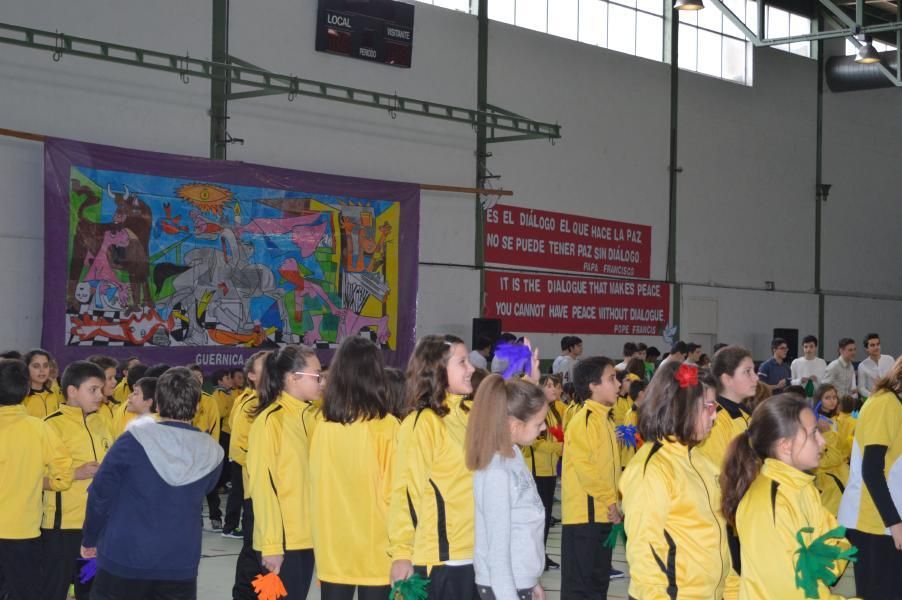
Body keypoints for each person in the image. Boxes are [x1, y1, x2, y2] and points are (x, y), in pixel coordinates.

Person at [80, 367, 223, 600]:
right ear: (198, 406)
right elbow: (204, 488)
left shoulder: (132, 441)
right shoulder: (213, 452)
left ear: (157, 403)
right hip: (179, 562)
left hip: (124, 556)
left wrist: (90, 538)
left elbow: (100, 494)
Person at [722, 394, 854, 599]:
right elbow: (793, 590)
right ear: (785, 446)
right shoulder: (767, 505)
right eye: (812, 434)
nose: (822, 442)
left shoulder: (802, 487)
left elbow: (836, 546)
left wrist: (818, 563)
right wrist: (817, 562)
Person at [620, 362, 730, 599]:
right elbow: (645, 553)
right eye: (709, 407)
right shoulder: (652, 469)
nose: (716, 415)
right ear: (682, 408)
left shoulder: (701, 461)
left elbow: (718, 540)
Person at [388, 335, 477, 599]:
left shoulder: (467, 415)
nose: (471, 368)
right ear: (438, 370)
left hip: (473, 554)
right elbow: (405, 491)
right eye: (462, 362)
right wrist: (402, 552)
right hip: (440, 560)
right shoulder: (423, 422)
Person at [310, 337, 399, 600]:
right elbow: (395, 494)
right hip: (377, 549)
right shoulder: (388, 426)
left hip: (332, 549)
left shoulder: (322, 427)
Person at [246, 346, 322, 599]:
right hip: (281, 542)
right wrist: (271, 544)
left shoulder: (313, 417)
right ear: (293, 377)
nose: (321, 381)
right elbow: (263, 487)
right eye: (316, 375)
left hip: (307, 539)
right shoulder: (270, 421)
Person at [467, 376, 548, 600]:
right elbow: (498, 554)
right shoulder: (496, 473)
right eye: (538, 423)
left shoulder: (515, 454)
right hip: (502, 588)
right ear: (515, 426)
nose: (544, 428)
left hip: (520, 582)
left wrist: (532, 582)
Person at [0, 359, 72, 600]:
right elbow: (63, 475)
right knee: (26, 592)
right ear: (27, 390)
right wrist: (38, 481)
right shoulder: (38, 428)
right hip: (23, 529)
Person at [41, 361, 112, 600]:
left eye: (101, 390)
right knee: (54, 589)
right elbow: (33, 477)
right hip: (61, 530)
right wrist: (75, 473)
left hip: (93, 529)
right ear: (72, 391)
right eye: (93, 390)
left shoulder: (101, 423)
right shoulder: (51, 426)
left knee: (88, 587)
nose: (100, 396)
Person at [837, 355, 902, 598]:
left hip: (888, 521)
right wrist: (894, 524)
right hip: (874, 524)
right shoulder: (885, 404)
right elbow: (872, 470)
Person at [697, 345, 758, 599]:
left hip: (747, 517)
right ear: (726, 378)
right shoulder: (715, 420)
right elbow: (718, 477)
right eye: (748, 372)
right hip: (727, 520)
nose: (756, 377)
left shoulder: (745, 417)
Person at [560, 356, 622, 599]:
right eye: (611, 379)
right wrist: (611, 502)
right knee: (579, 590)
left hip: (604, 516)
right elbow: (588, 472)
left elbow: (609, 470)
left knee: (597, 587)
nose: (618, 384)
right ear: (593, 386)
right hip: (584, 519)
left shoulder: (605, 420)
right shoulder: (583, 420)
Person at [228, 351, 267, 600]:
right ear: (251, 375)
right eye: (266, 367)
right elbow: (238, 450)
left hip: (275, 496)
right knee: (255, 552)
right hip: (258, 492)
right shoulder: (250, 404)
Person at [521, 374, 564, 571]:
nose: (554, 390)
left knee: (546, 517)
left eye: (556, 386)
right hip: (536, 470)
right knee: (538, 518)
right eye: (549, 386)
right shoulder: (536, 411)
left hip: (549, 469)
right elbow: (535, 442)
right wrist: (559, 448)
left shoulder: (553, 412)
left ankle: (542, 554)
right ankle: (534, 557)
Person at [811, 384, 852, 515]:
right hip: (827, 480)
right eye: (827, 397)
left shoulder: (836, 420)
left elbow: (844, 449)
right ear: (819, 399)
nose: (832, 400)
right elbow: (827, 458)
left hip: (842, 472)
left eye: (834, 397)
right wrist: (826, 434)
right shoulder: (815, 423)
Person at [22, 348, 63, 418]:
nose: (42, 370)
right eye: (36, 366)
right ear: (26, 368)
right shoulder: (22, 397)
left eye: (45, 366)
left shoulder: (53, 394)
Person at [618, 379, 647, 469]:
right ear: (641, 393)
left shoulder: (643, 412)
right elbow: (629, 444)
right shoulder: (631, 415)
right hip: (633, 463)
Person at [856, 333, 894, 401]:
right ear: (866, 349)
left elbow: (895, 380)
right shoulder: (862, 366)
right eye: (872, 345)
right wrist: (872, 395)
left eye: (878, 344)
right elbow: (861, 388)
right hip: (873, 398)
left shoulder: (890, 360)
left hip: (890, 397)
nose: (876, 347)